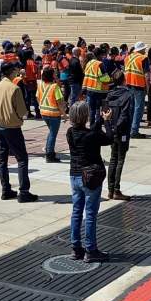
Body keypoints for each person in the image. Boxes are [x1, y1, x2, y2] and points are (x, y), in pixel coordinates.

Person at [66, 100, 110, 262]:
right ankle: (91, 249)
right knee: (90, 214)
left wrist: (99, 121)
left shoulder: (70, 132)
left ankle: (76, 248)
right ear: (85, 116)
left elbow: (91, 134)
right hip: (90, 177)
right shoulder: (91, 135)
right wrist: (106, 121)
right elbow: (108, 138)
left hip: (75, 176)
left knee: (77, 211)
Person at [0, 62, 36, 201]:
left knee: (2, 159)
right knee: (22, 159)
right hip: (13, 127)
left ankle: (6, 189)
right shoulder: (14, 89)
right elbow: (23, 111)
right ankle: (24, 192)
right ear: (11, 72)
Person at [101, 69, 134, 201]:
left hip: (111, 131)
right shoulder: (128, 95)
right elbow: (125, 115)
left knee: (113, 159)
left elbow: (104, 112)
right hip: (122, 132)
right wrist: (117, 129)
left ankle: (110, 190)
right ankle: (116, 189)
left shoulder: (109, 94)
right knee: (120, 159)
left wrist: (110, 128)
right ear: (124, 80)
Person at [39, 66, 65, 163]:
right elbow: (59, 102)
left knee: (51, 133)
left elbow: (38, 97)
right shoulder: (55, 87)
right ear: (52, 75)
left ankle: (48, 149)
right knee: (53, 134)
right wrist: (64, 114)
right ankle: (50, 154)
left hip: (44, 112)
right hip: (54, 113)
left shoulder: (41, 85)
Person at [124, 42, 149, 139]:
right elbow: (146, 75)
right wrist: (147, 87)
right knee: (139, 108)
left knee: (131, 107)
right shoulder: (143, 58)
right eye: (144, 49)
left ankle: (129, 128)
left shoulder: (128, 57)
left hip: (129, 84)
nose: (145, 50)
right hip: (139, 85)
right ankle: (134, 130)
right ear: (141, 49)